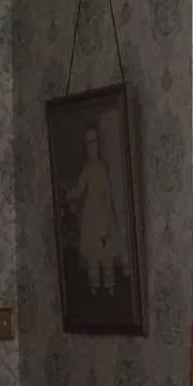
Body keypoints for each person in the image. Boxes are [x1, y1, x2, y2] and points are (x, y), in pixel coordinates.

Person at [65, 125, 120, 295]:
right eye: (88, 143)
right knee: (92, 252)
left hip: (102, 212)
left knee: (106, 249)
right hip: (91, 215)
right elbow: (80, 189)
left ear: (99, 144)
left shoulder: (102, 167)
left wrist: (109, 216)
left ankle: (110, 285)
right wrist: (68, 195)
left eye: (94, 142)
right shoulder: (87, 168)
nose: (91, 146)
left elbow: (107, 193)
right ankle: (94, 285)